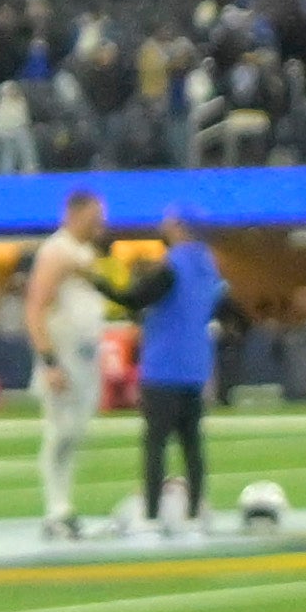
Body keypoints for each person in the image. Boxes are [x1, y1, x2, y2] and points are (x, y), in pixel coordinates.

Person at [122, 205, 229, 530]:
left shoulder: (171, 266)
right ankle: (196, 509)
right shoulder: (209, 265)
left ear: (180, 227)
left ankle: (153, 513)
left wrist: (97, 282)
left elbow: (135, 298)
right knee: (192, 444)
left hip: (163, 366)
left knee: (155, 443)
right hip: (195, 365)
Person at [22, 186, 111, 538]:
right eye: (94, 218)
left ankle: (64, 505)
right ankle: (55, 508)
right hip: (65, 355)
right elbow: (35, 308)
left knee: (75, 433)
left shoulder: (84, 253)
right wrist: (49, 361)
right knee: (60, 432)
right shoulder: (56, 252)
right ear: (74, 214)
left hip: (85, 357)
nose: (100, 225)